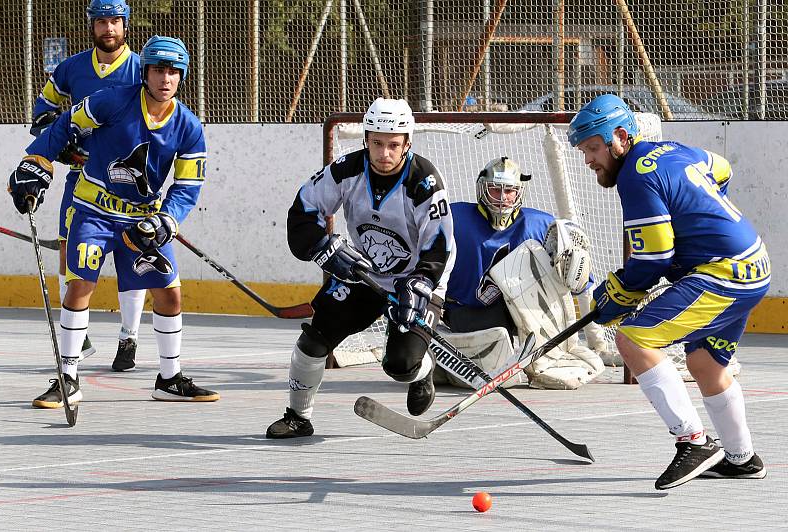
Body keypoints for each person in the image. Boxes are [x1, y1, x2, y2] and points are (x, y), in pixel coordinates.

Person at [568, 93, 770, 489]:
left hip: (723, 275)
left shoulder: (635, 177)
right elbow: (722, 169)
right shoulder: (671, 149)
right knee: (706, 365)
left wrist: (620, 292)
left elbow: (655, 258)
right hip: (752, 264)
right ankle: (742, 458)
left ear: (620, 137)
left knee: (633, 340)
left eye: (592, 147)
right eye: (583, 150)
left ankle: (694, 442)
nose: (588, 159)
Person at [8, 35, 219, 407]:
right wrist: (37, 160)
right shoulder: (113, 100)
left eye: (173, 71)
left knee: (169, 294)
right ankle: (68, 377)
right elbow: (65, 126)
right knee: (80, 286)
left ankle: (168, 379)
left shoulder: (188, 126)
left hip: (143, 222)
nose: (165, 78)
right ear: (145, 72)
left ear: (181, 76)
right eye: (158, 70)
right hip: (92, 212)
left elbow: (187, 186)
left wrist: (167, 221)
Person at [266, 97, 456, 438]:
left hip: (419, 279)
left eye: (394, 145)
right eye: (377, 143)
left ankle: (423, 369)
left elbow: (438, 245)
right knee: (314, 341)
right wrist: (323, 248)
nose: (384, 154)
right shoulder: (346, 170)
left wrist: (421, 284)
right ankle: (298, 416)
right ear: (366, 138)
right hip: (366, 273)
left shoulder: (424, 181)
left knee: (400, 365)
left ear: (407, 144)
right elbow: (302, 213)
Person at [30, 0, 145, 373]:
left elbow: (158, 120)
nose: (108, 28)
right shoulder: (72, 68)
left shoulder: (142, 68)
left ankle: (129, 337)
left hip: (129, 183)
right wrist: (63, 149)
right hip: (81, 182)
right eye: (101, 22)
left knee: (133, 258)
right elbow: (43, 113)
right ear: (92, 26)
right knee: (69, 251)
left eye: (115, 21)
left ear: (125, 24)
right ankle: (80, 335)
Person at [441, 156, 607, 390]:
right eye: (495, 190)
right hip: (471, 308)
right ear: (482, 189)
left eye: (509, 190)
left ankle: (545, 361)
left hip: (527, 308)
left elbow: (579, 283)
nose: (503, 198)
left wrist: (573, 268)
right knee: (492, 367)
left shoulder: (540, 224)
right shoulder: (454, 218)